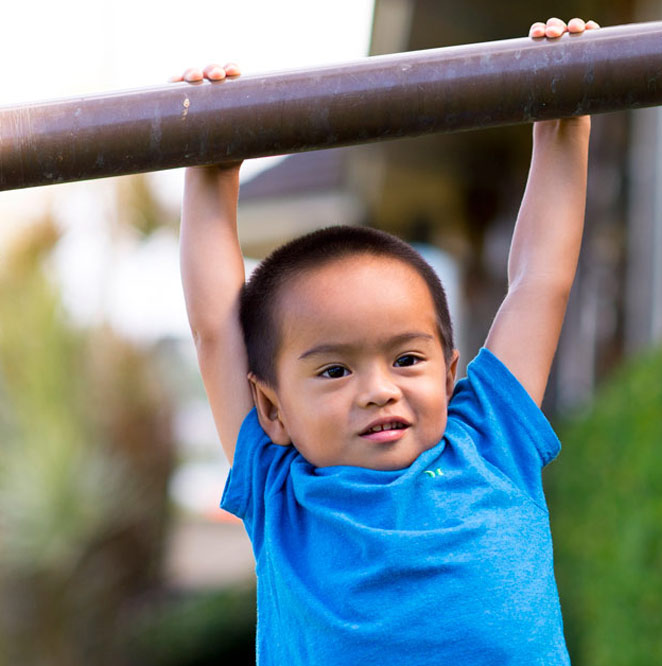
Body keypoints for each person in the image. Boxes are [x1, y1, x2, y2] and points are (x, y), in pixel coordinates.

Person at [177, 16, 597, 665]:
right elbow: (215, 331)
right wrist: (211, 164)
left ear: (450, 375)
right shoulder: (279, 492)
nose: (378, 390)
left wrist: (562, 121)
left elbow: (539, 281)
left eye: (406, 359)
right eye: (334, 371)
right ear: (272, 409)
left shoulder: (490, 438)